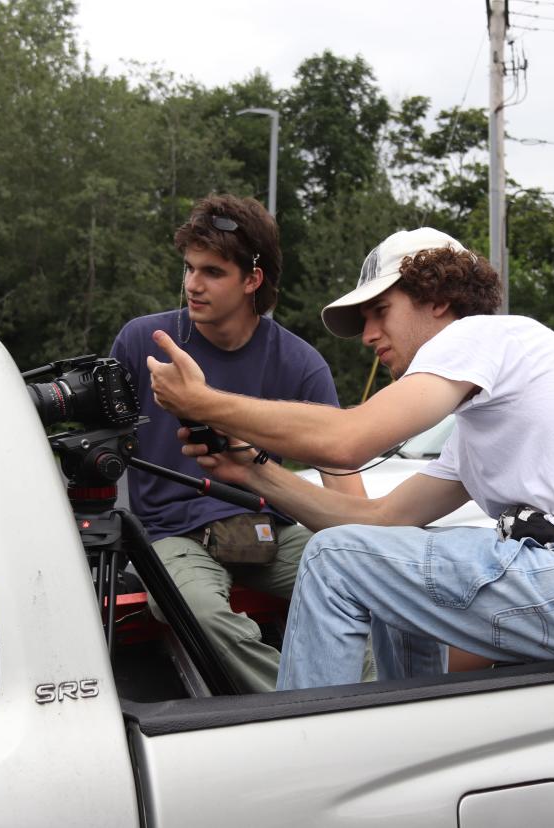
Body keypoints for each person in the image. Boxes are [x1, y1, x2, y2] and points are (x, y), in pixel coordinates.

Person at [145, 227, 554, 691]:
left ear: (439, 299)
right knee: (375, 556)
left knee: (337, 557)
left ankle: (305, 755)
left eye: (380, 312)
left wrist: (204, 402)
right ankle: (412, 732)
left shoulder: (483, 336)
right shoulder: (483, 423)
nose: (367, 334)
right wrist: (252, 471)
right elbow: (378, 520)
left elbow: (349, 441)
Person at [110, 193, 364, 694]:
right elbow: (103, 450)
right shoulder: (143, 342)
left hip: (267, 529)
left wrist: (374, 550)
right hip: (170, 535)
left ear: (253, 279)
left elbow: (347, 490)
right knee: (201, 614)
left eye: (212, 272)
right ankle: (307, 711)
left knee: (365, 583)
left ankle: (376, 707)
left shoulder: (300, 363)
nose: (192, 285)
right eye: (188, 268)